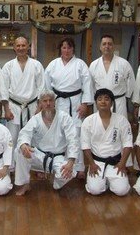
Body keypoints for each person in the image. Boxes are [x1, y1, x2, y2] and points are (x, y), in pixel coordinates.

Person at [45, 37, 93, 178]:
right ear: (60, 48)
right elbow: (46, 86)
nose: (66, 50)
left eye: (69, 47)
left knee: (76, 134)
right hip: (58, 103)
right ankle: (58, 164)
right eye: (64, 47)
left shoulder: (80, 64)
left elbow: (87, 84)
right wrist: (48, 103)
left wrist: (85, 103)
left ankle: (79, 167)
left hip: (75, 102)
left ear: (73, 49)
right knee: (58, 134)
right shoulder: (53, 65)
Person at [15, 90, 79, 195]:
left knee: (69, 174)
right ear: (40, 103)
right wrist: (24, 145)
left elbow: (73, 139)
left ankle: (56, 181)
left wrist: (71, 161)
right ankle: (25, 184)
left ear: (55, 102)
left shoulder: (64, 117)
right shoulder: (36, 119)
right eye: (45, 101)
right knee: (19, 151)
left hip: (58, 157)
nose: (48, 103)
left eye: (50, 100)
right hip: (39, 156)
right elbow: (24, 133)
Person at [0, 37, 45, 167]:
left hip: (32, 106)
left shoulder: (36, 65)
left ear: (28, 47)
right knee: (12, 138)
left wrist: (39, 107)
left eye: (23, 45)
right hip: (13, 106)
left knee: (34, 137)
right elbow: (3, 89)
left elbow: (41, 87)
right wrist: (6, 109)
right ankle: (11, 166)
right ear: (14, 47)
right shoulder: (8, 66)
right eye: (18, 46)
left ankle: (35, 166)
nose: (20, 48)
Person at [81, 88, 133, 196]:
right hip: (97, 162)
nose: (103, 101)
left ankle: (109, 180)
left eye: (106, 99)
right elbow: (85, 146)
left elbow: (128, 144)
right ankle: (104, 181)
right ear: (96, 103)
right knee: (95, 190)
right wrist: (91, 164)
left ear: (112, 102)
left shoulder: (121, 120)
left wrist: (122, 163)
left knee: (122, 191)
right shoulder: (89, 121)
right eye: (99, 99)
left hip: (116, 162)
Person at [89, 35, 135, 119]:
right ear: (100, 47)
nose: (107, 46)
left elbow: (131, 81)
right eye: (104, 44)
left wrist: (126, 95)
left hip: (118, 101)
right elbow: (90, 85)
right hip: (100, 103)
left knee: (120, 127)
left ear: (114, 47)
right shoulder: (94, 65)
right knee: (100, 127)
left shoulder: (123, 64)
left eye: (110, 44)